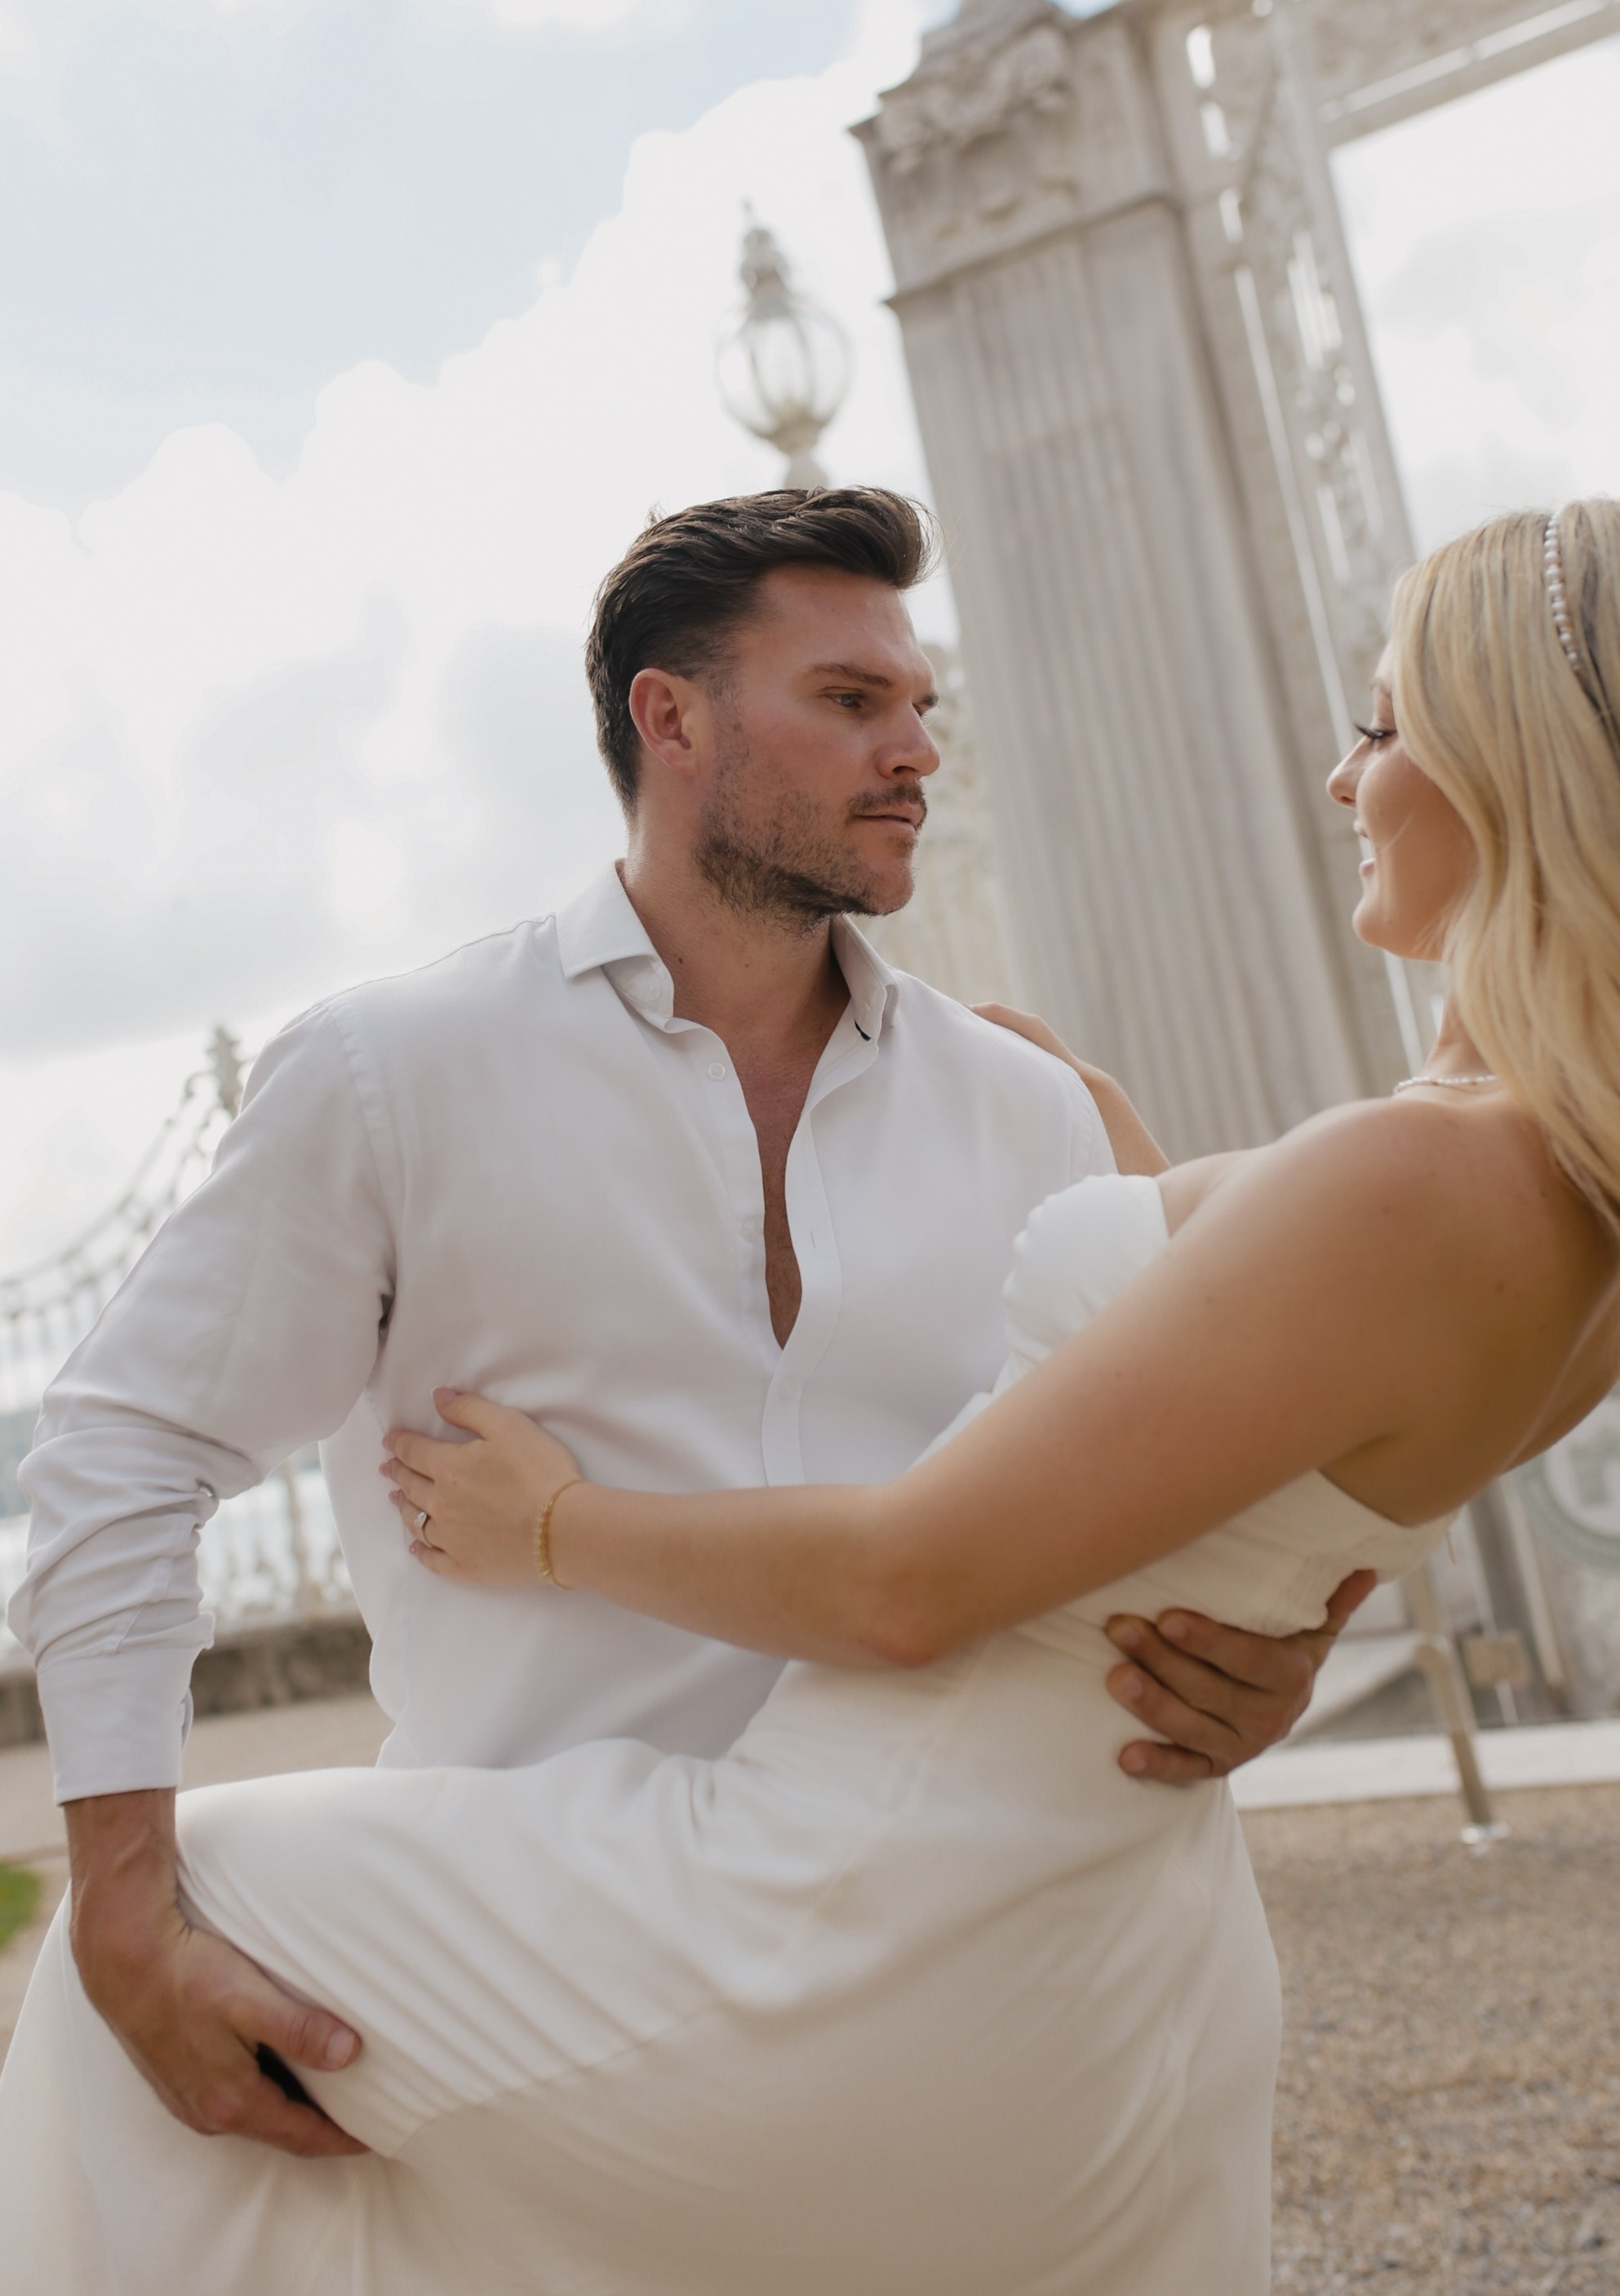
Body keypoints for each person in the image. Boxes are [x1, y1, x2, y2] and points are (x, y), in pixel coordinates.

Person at [8, 503, 1619, 2294]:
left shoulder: (1033, 1108)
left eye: (922, 703)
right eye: (852, 698)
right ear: (668, 721)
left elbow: (1200, 1483)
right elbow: (126, 1443)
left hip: (982, 1964)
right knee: (153, 1970)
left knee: (145, 2005)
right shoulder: (397, 1074)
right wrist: (130, 1894)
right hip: (552, 1997)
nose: (919, 745)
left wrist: (1277, 1649)